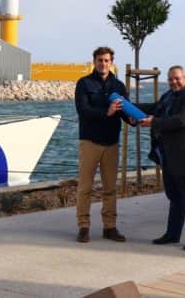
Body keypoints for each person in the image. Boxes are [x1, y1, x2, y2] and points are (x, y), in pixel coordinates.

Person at [136, 65, 185, 251]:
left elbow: (181, 120)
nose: (174, 82)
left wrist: (154, 122)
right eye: (170, 79)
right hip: (168, 155)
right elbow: (153, 108)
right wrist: (127, 107)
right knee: (174, 197)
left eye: (177, 79)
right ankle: (173, 234)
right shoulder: (168, 96)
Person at [73, 46, 128, 243]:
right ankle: (83, 227)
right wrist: (107, 111)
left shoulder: (119, 86)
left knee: (110, 188)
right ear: (94, 62)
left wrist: (139, 119)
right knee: (85, 187)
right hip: (89, 141)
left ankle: (110, 227)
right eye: (99, 60)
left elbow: (125, 111)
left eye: (106, 60)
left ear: (111, 62)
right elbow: (83, 110)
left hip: (111, 142)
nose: (103, 64)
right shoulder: (84, 84)